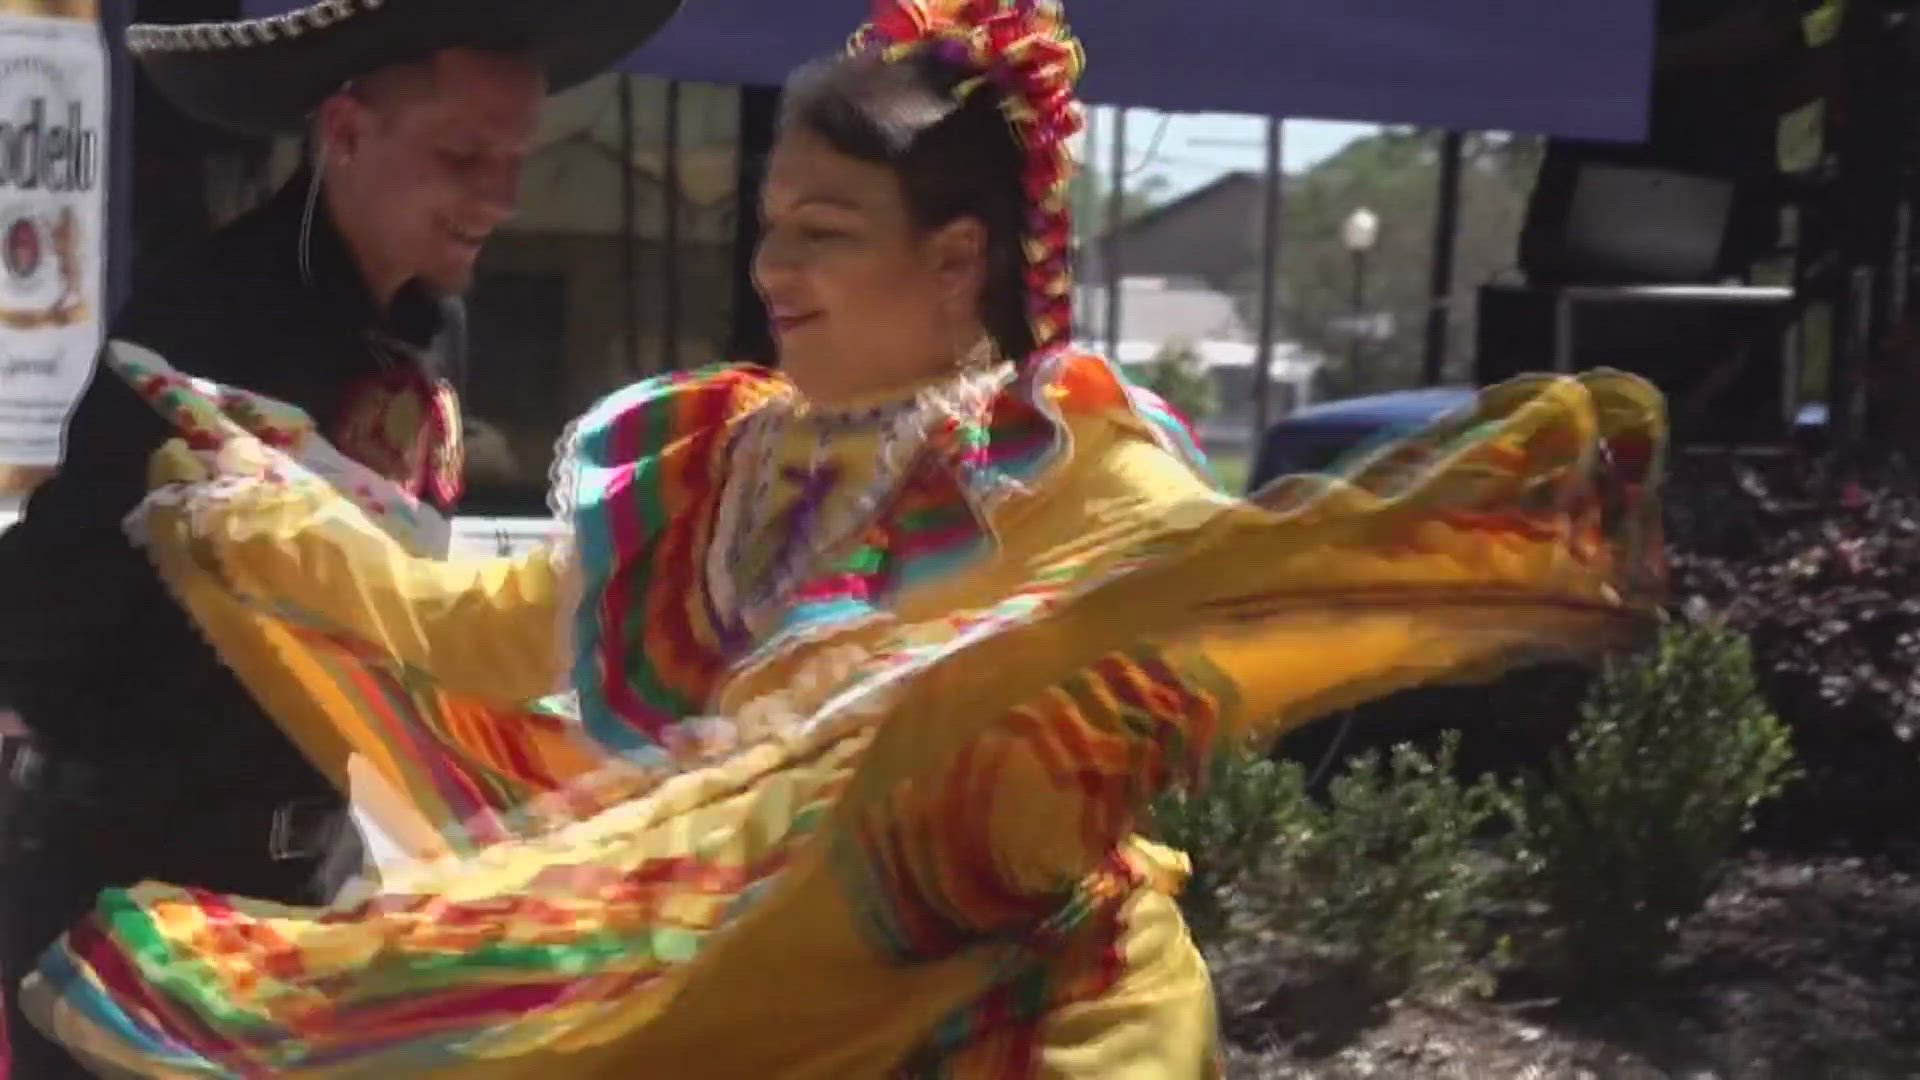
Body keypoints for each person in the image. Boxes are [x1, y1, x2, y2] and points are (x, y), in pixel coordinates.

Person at [20, 0, 1667, 1075]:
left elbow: (1196, 599)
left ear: (956, 261)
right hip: (748, 975)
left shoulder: (1075, 461)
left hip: (1016, 1011)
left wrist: (1418, 552)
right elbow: (507, 618)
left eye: (824, 235)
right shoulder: (730, 456)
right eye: (771, 235)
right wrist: (273, 527)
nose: (776, 276)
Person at [0, 0, 684, 1074]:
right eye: (463, 156)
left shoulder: (436, 323)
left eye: (515, 159)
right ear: (348, 130)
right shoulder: (206, 321)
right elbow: (51, 600)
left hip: (326, 865)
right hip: (138, 875)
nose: (499, 200)